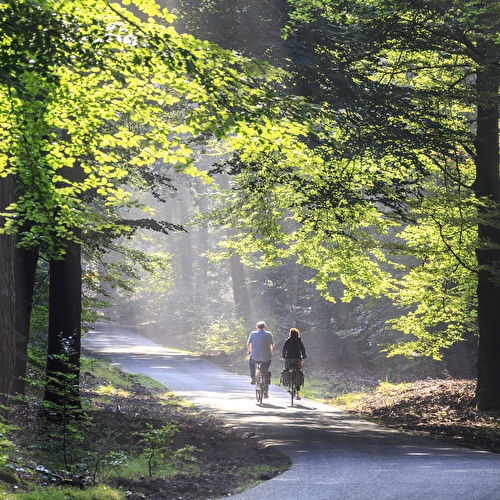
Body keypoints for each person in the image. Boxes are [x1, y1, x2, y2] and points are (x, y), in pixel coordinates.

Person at [247, 321, 275, 398]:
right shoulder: (269, 334)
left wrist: (249, 351)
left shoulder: (253, 333)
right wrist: (270, 352)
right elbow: (272, 345)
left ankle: (253, 378)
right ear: (264, 327)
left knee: (251, 363)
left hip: (255, 357)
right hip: (266, 358)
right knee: (265, 373)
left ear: (257, 327)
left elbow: (248, 343)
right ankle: (266, 392)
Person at [281, 327, 306, 400]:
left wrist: (283, 356)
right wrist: (303, 356)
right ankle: (298, 393)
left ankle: (290, 386)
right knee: (297, 372)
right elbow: (303, 349)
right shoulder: (299, 341)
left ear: (290, 334)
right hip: (297, 360)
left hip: (288, 359)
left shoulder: (287, 341)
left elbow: (284, 349)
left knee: (288, 370)